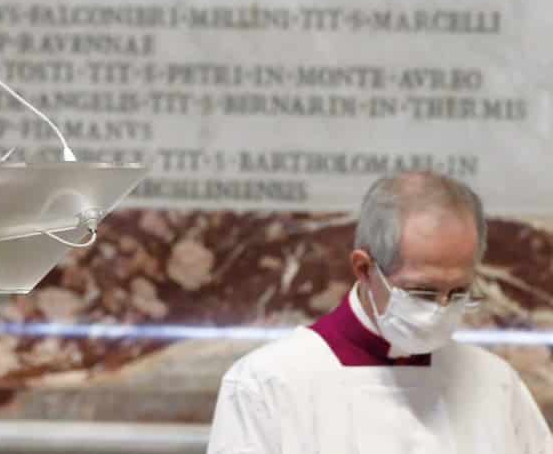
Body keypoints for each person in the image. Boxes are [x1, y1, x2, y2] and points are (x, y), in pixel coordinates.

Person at [207, 171, 552, 453]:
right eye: (422, 292)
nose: (441, 309)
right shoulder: (267, 384)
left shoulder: (494, 383)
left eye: (459, 292)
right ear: (364, 269)